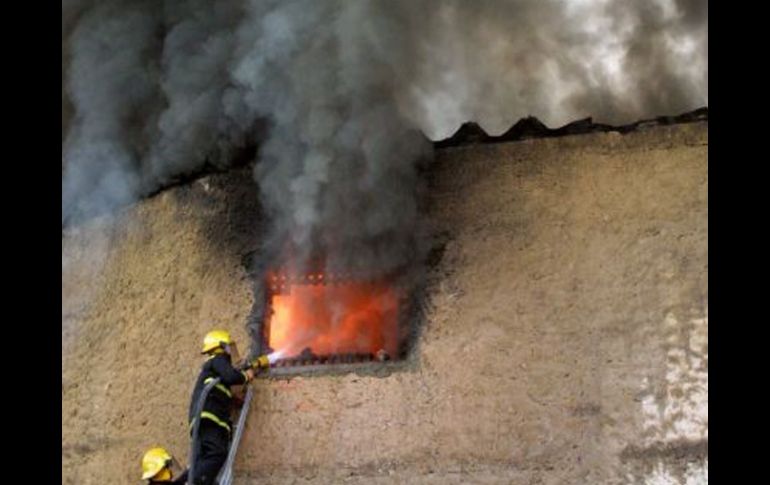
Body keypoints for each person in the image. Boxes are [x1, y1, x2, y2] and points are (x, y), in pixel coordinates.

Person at [187, 330, 268, 485]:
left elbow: (220, 391)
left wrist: (234, 400)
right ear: (222, 346)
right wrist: (246, 376)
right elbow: (231, 376)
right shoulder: (218, 360)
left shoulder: (214, 371)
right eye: (228, 346)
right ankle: (198, 481)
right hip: (209, 420)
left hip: (202, 421)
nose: (230, 350)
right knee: (218, 453)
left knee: (200, 461)